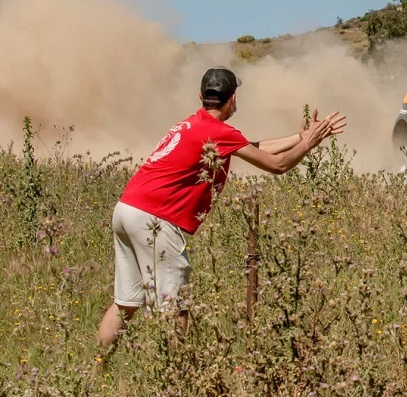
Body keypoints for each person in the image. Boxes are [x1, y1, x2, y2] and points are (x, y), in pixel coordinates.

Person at [96, 66, 346, 351]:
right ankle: (172, 383)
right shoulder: (218, 131)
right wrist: (309, 144)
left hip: (127, 209)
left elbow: (250, 147)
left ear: (201, 96)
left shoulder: (193, 124)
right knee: (174, 307)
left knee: (126, 302)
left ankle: (97, 370)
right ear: (233, 99)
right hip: (155, 220)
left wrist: (298, 138)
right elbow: (278, 165)